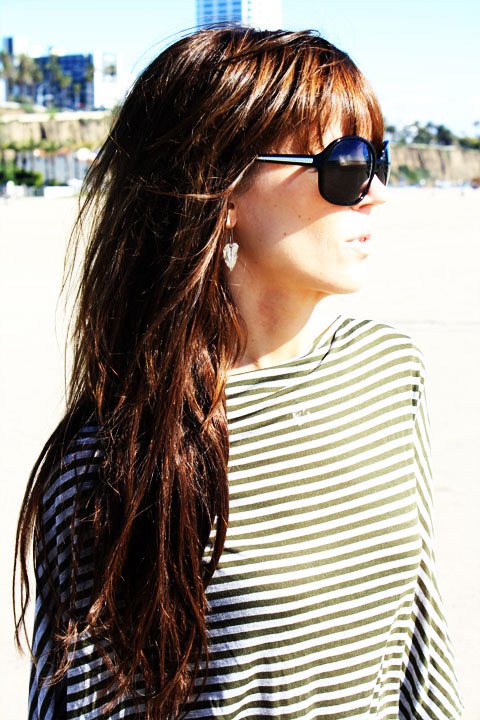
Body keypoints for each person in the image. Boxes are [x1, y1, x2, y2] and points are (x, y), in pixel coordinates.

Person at [15, 26, 463, 720]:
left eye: (377, 158)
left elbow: (423, 660)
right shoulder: (110, 461)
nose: (375, 194)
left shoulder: (389, 373)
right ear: (222, 191)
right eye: (344, 165)